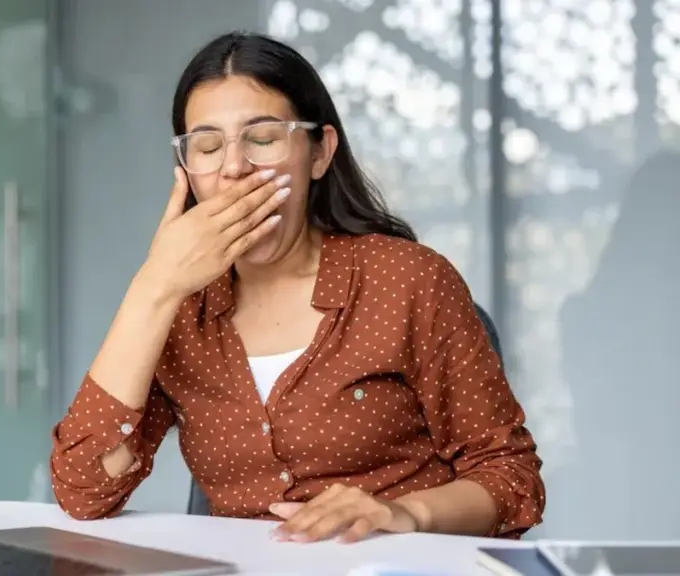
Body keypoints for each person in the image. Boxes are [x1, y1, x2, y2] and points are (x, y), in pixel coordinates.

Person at [49, 31, 544, 543]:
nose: (234, 168)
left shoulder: (408, 279)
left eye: (262, 139)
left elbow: (511, 479)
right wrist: (153, 287)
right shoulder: (176, 309)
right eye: (208, 145)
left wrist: (403, 515)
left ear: (319, 153)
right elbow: (84, 491)